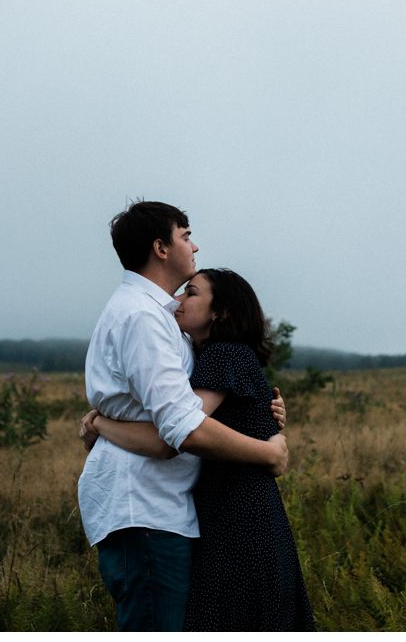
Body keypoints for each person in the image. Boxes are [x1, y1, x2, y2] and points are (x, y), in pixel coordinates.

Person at [76, 200, 292, 631]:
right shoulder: (143, 318)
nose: (194, 246)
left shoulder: (155, 315)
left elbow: (189, 408)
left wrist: (260, 412)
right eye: (186, 235)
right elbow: (179, 432)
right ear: (160, 247)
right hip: (147, 507)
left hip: (160, 508)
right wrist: (270, 454)